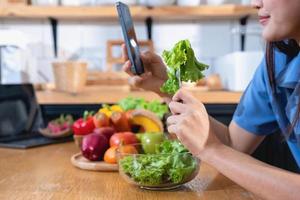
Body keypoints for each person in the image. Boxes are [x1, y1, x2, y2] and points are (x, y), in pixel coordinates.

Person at [122, 0, 300, 199]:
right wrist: (167, 89)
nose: (254, 3)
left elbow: (222, 149)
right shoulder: (278, 60)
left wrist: (212, 150)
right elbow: (234, 144)